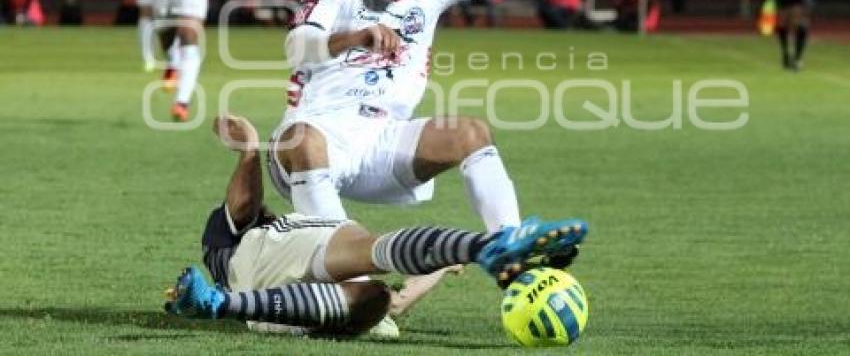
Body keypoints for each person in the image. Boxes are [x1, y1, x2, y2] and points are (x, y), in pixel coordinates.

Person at [273, 0, 649, 226]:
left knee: (471, 133)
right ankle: (347, 270)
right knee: (305, 147)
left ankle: (511, 253)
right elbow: (296, 47)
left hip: (382, 142)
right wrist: (356, 37)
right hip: (315, 138)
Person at [164, 114, 587, 336]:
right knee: (370, 248)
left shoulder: (281, 229)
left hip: (300, 298)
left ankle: (489, 248)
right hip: (269, 267)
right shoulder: (239, 240)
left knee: (377, 298)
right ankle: (490, 244)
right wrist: (249, 150)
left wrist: (441, 267)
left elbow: (399, 302)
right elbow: (242, 205)